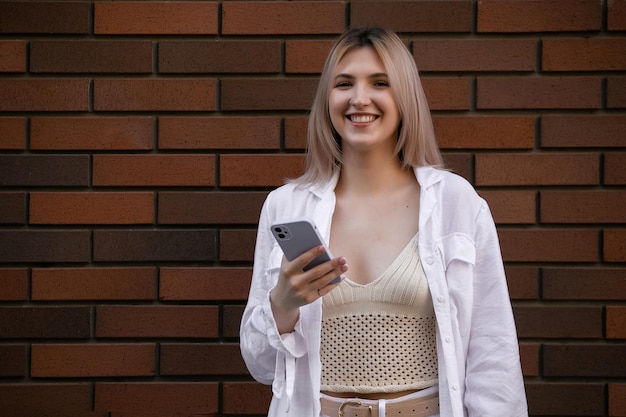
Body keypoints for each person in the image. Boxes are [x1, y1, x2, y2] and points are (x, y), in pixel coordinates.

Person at [240, 27, 528, 417]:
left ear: (404, 96)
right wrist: (283, 305)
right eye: (344, 84)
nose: (360, 99)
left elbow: (493, 357)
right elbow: (260, 367)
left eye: (380, 83)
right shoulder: (286, 207)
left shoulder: (455, 203)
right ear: (328, 98)